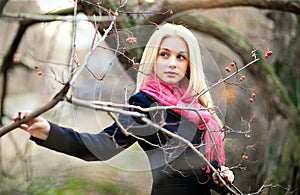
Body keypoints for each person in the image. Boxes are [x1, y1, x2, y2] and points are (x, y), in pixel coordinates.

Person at [14, 23, 234, 194]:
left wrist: (221, 178)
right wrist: (48, 132)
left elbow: (205, 171)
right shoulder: (145, 104)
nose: (172, 63)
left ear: (189, 64)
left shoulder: (199, 109)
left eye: (180, 57)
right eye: (164, 54)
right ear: (153, 59)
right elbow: (102, 146)